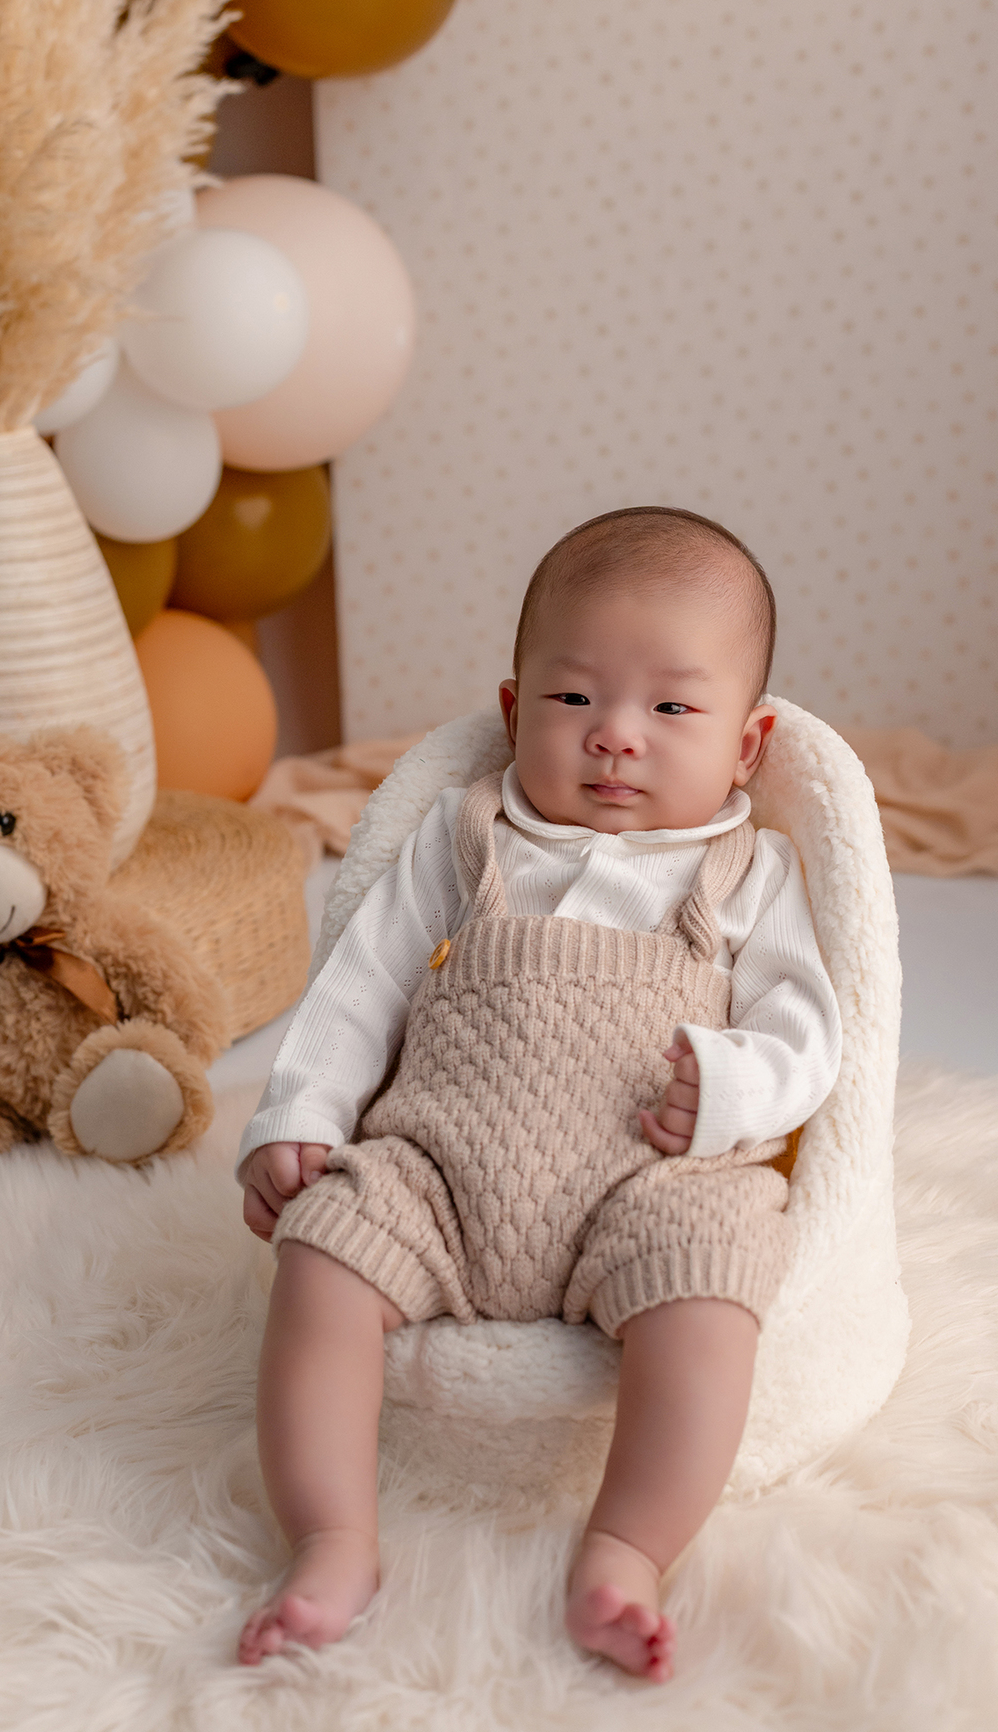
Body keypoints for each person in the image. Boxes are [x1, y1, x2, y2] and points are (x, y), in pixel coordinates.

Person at [235, 506, 841, 1682]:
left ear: (748, 744)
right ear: (515, 713)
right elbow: (358, 988)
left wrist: (728, 1091)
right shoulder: (468, 835)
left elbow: (808, 1036)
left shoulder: (748, 872)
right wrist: (298, 1118)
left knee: (715, 1292)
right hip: (438, 1168)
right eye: (575, 698)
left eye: (672, 709)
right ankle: (331, 1540)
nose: (616, 735)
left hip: (649, 1182)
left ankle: (627, 1550)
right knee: (320, 1258)